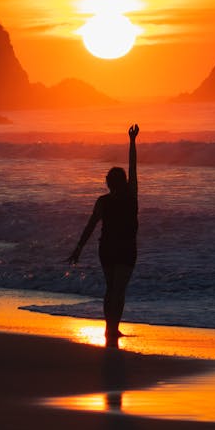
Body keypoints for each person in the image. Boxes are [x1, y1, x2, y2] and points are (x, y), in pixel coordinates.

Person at [67, 124, 139, 345]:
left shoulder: (103, 201)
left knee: (111, 289)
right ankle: (112, 329)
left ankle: (110, 328)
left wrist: (78, 248)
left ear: (108, 183)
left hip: (106, 248)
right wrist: (132, 142)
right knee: (119, 290)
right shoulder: (130, 196)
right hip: (125, 249)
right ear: (124, 182)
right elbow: (134, 167)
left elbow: (90, 227)